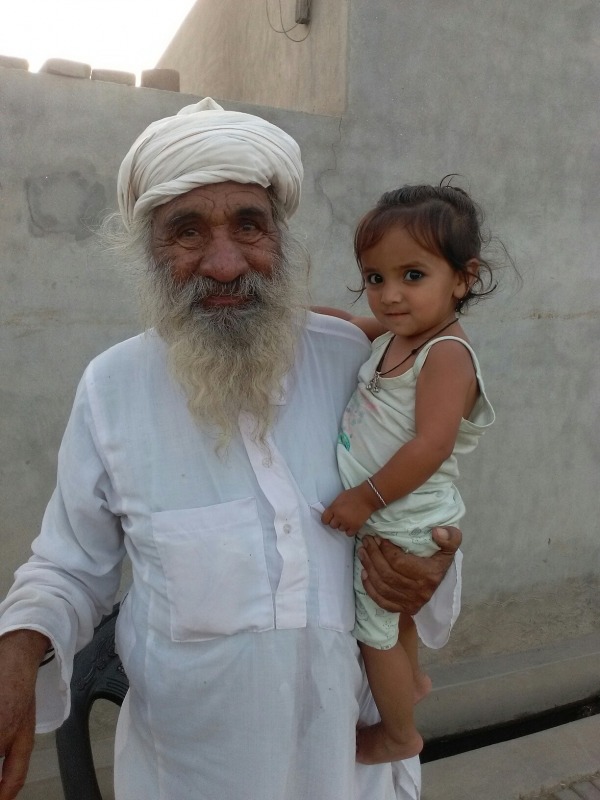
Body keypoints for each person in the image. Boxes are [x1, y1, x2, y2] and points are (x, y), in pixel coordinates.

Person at [0, 99, 463, 800]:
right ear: (148, 251)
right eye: (187, 231)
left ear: (281, 238)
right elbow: (69, 567)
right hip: (191, 777)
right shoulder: (112, 388)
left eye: (249, 225)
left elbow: (424, 502)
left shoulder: (350, 361)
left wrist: (432, 565)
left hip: (352, 773)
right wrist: (15, 654)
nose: (223, 264)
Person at [316, 183, 498, 765]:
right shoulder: (398, 332)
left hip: (400, 513)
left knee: (375, 628)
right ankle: (412, 681)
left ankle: (400, 734)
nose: (390, 295)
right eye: (375, 278)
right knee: (394, 616)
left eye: (412, 276)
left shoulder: (445, 353)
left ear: (463, 279)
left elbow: (431, 445)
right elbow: (344, 325)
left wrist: (365, 498)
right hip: (393, 508)